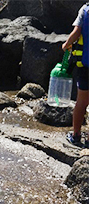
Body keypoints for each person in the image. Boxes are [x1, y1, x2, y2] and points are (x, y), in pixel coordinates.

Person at [63, 3, 89, 146]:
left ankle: (76, 135)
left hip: (85, 64)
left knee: (81, 102)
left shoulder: (85, 10)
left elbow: (76, 31)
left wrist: (66, 44)